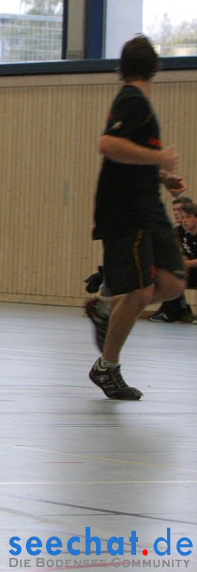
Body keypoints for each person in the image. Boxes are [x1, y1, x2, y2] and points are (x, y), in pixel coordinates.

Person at [85, 34, 187, 400]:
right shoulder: (131, 99)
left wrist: (159, 175)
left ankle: (103, 305)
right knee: (141, 289)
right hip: (126, 210)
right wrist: (159, 159)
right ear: (155, 67)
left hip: (147, 204)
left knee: (174, 282)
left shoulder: (137, 102)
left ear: (122, 66)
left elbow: (128, 156)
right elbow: (108, 145)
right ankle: (107, 368)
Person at [148, 195, 194, 322]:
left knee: (176, 271)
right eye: (174, 210)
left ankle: (176, 308)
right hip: (187, 269)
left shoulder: (190, 231)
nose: (176, 213)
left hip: (191, 269)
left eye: (179, 210)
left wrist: (185, 263)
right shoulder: (176, 231)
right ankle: (174, 308)